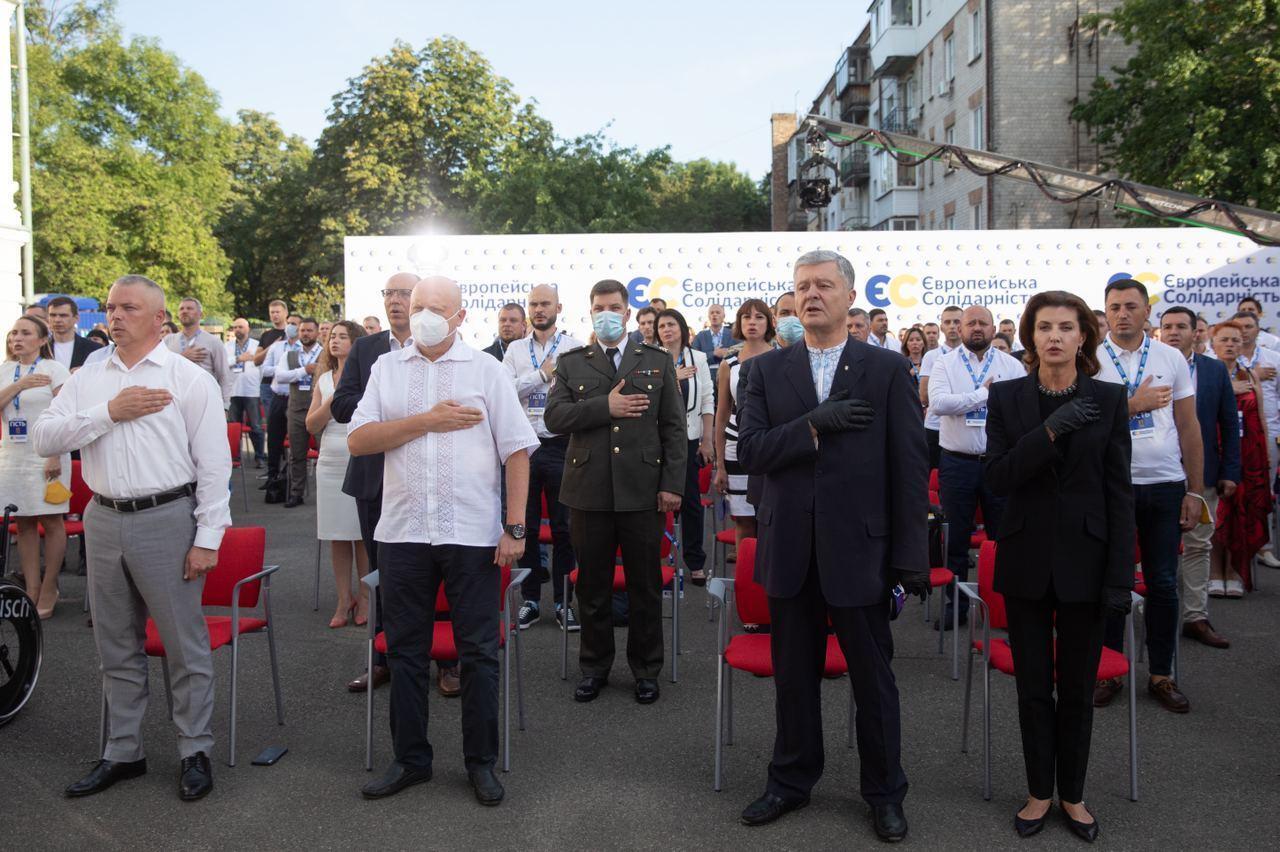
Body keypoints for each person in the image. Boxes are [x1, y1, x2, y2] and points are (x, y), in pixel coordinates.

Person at [735, 250, 926, 842]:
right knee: (794, 677)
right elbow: (755, 452)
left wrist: (909, 556)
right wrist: (816, 424)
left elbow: (909, 466)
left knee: (874, 680)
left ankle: (885, 792)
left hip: (860, 550)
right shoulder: (765, 370)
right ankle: (790, 781)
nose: (810, 295)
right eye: (800, 287)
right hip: (789, 546)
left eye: (823, 285)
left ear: (848, 296)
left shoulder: (886, 369)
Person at [35, 274, 230, 802]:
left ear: (159, 319)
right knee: (115, 646)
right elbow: (44, 437)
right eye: (110, 307)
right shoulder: (89, 376)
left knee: (183, 647)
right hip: (102, 518)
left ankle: (194, 749)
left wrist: (208, 537)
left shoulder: (189, 379)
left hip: (167, 516)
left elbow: (215, 465)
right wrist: (107, 414)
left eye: (128, 308)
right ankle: (124, 751)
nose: (114, 316)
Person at [349, 276, 538, 805]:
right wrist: (426, 422)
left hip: (473, 535)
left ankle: (481, 763)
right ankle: (410, 760)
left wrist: (516, 526)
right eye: (418, 306)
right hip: (404, 533)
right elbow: (361, 439)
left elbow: (518, 450)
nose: (424, 314)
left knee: (478, 653)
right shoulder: (386, 368)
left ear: (459, 317)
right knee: (406, 652)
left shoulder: (487, 370)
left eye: (437, 308)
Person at [983, 290, 1134, 842]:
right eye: (1043, 327)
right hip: (1024, 561)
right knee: (1030, 688)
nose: (1054, 337)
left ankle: (1073, 795)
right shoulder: (1006, 397)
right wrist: (1050, 431)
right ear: (1030, 336)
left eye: (1065, 327)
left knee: (1076, 689)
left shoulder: (1111, 398)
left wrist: (1120, 575)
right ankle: (1037, 793)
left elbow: (1119, 495)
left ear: (1082, 336)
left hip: (1088, 563)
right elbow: (996, 478)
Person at [543, 279, 686, 705]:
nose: (606, 314)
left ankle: (646, 670)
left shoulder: (656, 360)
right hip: (588, 490)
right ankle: (594, 667)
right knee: (592, 586)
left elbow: (673, 429)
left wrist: (672, 487)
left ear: (627, 312)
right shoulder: (572, 362)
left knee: (644, 586)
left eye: (614, 307)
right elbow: (555, 417)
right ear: (590, 313)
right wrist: (604, 406)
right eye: (598, 308)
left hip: (643, 490)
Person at [334, 275, 462, 695]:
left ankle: (446, 662)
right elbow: (341, 405)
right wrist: (392, 412)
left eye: (404, 294)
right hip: (376, 477)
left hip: (437, 480)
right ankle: (383, 658)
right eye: (388, 293)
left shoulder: (453, 352)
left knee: (441, 570)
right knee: (382, 572)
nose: (395, 301)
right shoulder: (369, 351)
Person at [1093, 277, 1202, 714]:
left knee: (1161, 583)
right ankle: (1110, 670)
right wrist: (1129, 404)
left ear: (1146, 311)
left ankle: (1162, 673)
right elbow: (1080, 419)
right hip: (1112, 485)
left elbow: (1189, 425)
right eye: (1115, 306)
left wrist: (1195, 491)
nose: (1123, 313)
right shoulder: (1091, 357)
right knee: (1112, 582)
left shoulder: (1170, 356)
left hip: (1164, 482)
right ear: (1105, 311)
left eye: (1131, 306)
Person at [928, 305, 1026, 626]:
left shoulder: (1012, 366)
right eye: (971, 323)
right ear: (959, 328)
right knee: (955, 539)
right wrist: (982, 395)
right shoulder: (944, 364)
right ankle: (955, 605)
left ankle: (998, 604)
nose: (977, 328)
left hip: (999, 463)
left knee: (1002, 539)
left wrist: (973, 398)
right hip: (958, 463)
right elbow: (940, 404)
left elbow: (1021, 411)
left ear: (994, 327)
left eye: (983, 323)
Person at [502, 283, 585, 630]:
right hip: (525, 446)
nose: (539, 309)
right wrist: (540, 374)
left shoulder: (575, 347)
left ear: (558, 307)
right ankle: (532, 600)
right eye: (533, 304)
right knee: (527, 527)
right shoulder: (515, 350)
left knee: (567, 528)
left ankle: (564, 602)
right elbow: (504, 391)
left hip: (563, 444)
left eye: (545, 303)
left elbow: (583, 394)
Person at [1159, 306, 1238, 650]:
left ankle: (1195, 617)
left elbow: (1228, 425)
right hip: (1156, 475)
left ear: (1196, 333)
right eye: (1167, 327)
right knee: (1150, 551)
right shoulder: (1149, 365)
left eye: (1180, 327)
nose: (1173, 332)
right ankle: (1148, 617)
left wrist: (1230, 472)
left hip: (1200, 475)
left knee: (1198, 546)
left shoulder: (1214, 370)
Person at [1, 316, 71, 617]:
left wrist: (55, 453)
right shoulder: (5, 371)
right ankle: (30, 587)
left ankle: (49, 586)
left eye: (26, 333)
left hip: (47, 454)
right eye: (14, 333)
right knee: (24, 523)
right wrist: (20, 384)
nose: (18, 338)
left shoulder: (54, 369)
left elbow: (66, 414)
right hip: (12, 456)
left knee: (51, 520)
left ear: (42, 340)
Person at [307, 320, 370, 628]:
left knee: (360, 534)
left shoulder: (367, 376)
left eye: (343, 336)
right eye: (333, 336)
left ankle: (366, 597)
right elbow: (311, 425)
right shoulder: (323, 381)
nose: (335, 341)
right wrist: (333, 400)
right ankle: (344, 599)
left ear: (355, 342)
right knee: (336, 535)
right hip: (330, 460)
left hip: (359, 455)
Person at [1208, 321, 1269, 598]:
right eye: (1225, 340)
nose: (1231, 345)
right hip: (1214, 449)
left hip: (1246, 451)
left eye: (1235, 340)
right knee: (1215, 512)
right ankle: (1214, 571)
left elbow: (1261, 417)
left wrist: (1265, 453)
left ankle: (1233, 570)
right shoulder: (1208, 373)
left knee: (1239, 510)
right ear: (1214, 343)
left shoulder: (1250, 375)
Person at [656, 308, 714, 584]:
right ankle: (653, 556)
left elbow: (707, 400)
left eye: (671, 324)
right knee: (655, 501)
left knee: (690, 502)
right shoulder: (650, 358)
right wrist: (672, 377)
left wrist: (707, 440)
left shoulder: (699, 358)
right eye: (662, 326)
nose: (667, 330)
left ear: (682, 328)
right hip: (657, 440)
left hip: (690, 439)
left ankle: (695, 561)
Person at [713, 299, 774, 547]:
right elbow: (722, 414)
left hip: (773, 447)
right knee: (744, 523)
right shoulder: (730, 364)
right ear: (738, 323)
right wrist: (719, 466)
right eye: (746, 317)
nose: (752, 322)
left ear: (769, 323)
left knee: (771, 521)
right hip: (735, 448)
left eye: (759, 317)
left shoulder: (783, 359)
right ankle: (746, 584)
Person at [1227, 310, 1280, 570]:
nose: (1244, 331)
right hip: (1227, 434)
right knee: (1230, 493)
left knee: (1263, 490)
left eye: (1249, 326)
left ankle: (1264, 547)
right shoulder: (1219, 361)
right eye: (1239, 328)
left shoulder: (1274, 359)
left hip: (1265, 431)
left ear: (1258, 329)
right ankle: (1232, 546)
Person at [276, 318, 322, 508]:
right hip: (295, 409)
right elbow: (280, 377)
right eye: (302, 330)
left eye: (309, 330)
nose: (305, 334)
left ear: (317, 333)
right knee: (296, 454)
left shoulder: (325, 353)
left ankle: (327, 493)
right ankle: (296, 493)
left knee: (325, 453)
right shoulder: (289, 354)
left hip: (319, 409)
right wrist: (304, 370)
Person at [165, 297, 233, 410]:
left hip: (204, 400)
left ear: (200, 314)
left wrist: (225, 405)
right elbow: (161, 368)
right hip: (175, 401)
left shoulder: (213, 342)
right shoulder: (168, 340)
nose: (184, 311)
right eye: (181, 309)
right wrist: (182, 357)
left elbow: (224, 375)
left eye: (189, 308)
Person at [258, 315, 300, 492]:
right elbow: (264, 369)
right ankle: (272, 475)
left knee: (295, 439)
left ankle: (287, 476)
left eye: (295, 324)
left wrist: (288, 372)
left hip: (295, 399)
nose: (291, 327)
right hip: (278, 397)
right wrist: (283, 369)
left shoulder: (306, 350)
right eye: (289, 323)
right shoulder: (276, 347)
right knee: (274, 438)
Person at [920, 305, 964, 470]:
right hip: (935, 426)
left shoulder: (972, 355)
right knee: (934, 479)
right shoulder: (931, 356)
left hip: (963, 427)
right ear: (942, 326)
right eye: (947, 322)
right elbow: (924, 396)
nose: (952, 325)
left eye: (956, 321)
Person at [224, 318, 264, 466]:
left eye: (240, 327)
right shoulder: (227, 346)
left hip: (251, 390)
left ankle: (259, 457)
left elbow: (262, 368)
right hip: (233, 391)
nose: (238, 330)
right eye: (235, 327)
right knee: (234, 426)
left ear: (247, 328)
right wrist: (238, 358)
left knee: (256, 426)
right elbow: (223, 364)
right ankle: (235, 456)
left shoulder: (257, 345)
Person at [45, 296, 102, 371]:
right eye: (53, 315)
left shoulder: (94, 349)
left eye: (63, 315)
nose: (57, 320)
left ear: (76, 318)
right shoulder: (40, 348)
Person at [692, 302, 732, 383]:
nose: (714, 315)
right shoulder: (700, 336)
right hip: (706, 378)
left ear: (724, 316)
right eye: (712, 313)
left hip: (729, 377)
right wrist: (713, 353)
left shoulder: (733, 334)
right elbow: (694, 357)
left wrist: (728, 352)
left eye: (718, 312)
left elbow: (741, 349)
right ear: (708, 316)